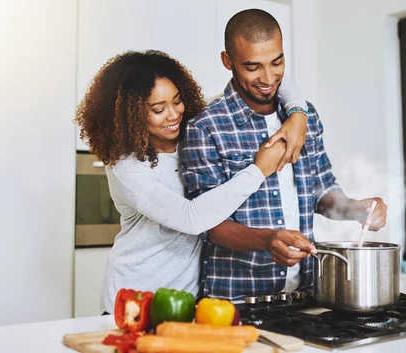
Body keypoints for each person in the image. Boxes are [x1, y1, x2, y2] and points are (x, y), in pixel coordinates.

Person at [75, 50, 312, 314]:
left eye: (177, 101)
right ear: (128, 116)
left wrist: (298, 114)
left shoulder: (194, 130)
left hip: (188, 299)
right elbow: (192, 219)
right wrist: (259, 170)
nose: (173, 114)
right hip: (135, 299)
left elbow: (277, 81)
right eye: (158, 109)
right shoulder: (127, 166)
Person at [181, 9, 388, 301]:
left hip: (306, 294)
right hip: (236, 300)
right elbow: (208, 223)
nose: (268, 77)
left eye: (277, 62)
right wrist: (267, 240)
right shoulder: (206, 127)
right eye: (253, 67)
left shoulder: (306, 115)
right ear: (228, 61)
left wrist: (357, 210)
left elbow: (321, 190)